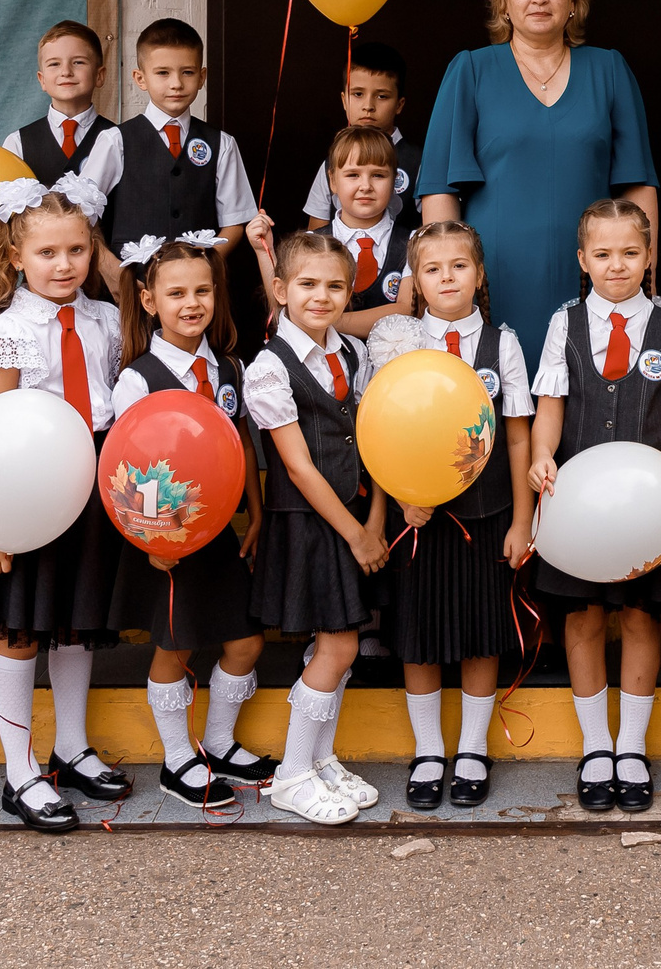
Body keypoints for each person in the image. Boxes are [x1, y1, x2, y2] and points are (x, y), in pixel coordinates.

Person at [0, 172, 135, 835]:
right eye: (47, 253)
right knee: (22, 627)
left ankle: (71, 745)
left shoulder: (104, 319)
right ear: (15, 257)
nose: (64, 265)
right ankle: (19, 770)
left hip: (92, 485)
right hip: (26, 488)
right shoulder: (7, 331)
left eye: (77, 250)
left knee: (75, 621)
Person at [528, 198, 661, 815]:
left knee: (639, 616)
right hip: (577, 503)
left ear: (650, 256)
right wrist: (542, 455)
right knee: (582, 617)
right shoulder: (564, 324)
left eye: (630, 253)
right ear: (583, 259)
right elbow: (550, 403)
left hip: (646, 504)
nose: (617, 265)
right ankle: (596, 746)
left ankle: (631, 746)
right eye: (603, 254)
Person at [363, 221, 536, 812]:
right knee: (420, 635)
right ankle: (430, 750)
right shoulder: (398, 343)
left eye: (458, 267)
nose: (446, 278)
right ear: (415, 281)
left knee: (481, 633)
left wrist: (521, 519)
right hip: (418, 518)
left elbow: (517, 437)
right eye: (432, 269)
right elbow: (378, 430)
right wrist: (401, 494)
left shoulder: (501, 344)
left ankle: (469, 749)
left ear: (479, 275)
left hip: (487, 514)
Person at [418, 0, 659, 333]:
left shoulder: (609, 69)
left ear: (573, 2)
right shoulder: (471, 70)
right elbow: (439, 189)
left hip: (596, 271)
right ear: (504, 5)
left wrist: (642, 282)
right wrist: (448, 289)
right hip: (493, 275)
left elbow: (638, 187)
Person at [111, 235, 269, 810]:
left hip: (222, 532)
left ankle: (220, 742)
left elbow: (242, 446)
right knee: (175, 648)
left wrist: (254, 511)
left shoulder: (229, 367)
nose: (191, 303)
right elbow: (122, 465)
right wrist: (146, 536)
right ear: (150, 300)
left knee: (246, 642)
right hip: (167, 538)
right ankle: (177, 759)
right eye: (176, 293)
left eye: (202, 290)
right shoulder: (139, 376)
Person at [246, 232, 388, 826]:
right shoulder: (269, 368)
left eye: (335, 285)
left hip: (355, 514)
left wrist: (375, 519)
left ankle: (321, 758)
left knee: (341, 644)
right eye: (307, 284)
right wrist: (355, 534)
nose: (322, 296)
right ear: (280, 290)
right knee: (338, 643)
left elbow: (377, 438)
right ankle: (292, 773)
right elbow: (299, 466)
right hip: (310, 521)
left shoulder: (352, 354)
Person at [76, 16, 257, 279]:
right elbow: (82, 214)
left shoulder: (222, 144)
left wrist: (205, 267)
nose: (176, 84)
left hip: (198, 290)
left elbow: (234, 223)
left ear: (202, 76)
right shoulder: (115, 140)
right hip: (132, 286)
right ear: (140, 78)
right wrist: (111, 271)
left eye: (188, 72)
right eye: (163, 73)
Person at [257, 127, 415, 340]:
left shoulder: (413, 242)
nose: (365, 186)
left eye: (378, 175)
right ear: (332, 181)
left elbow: (404, 310)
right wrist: (261, 250)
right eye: (353, 175)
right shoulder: (311, 242)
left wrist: (324, 319)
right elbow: (284, 304)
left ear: (394, 181)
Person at [306, 39, 422, 231]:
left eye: (382, 96)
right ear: (344, 100)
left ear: (399, 104)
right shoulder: (331, 163)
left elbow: (433, 234)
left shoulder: (418, 162)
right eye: (358, 94)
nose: (368, 106)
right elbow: (316, 234)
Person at [1, 21, 115, 186]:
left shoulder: (119, 140)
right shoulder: (17, 143)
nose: (66, 72)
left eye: (78, 62)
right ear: (42, 80)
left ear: (99, 75)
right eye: (54, 64)